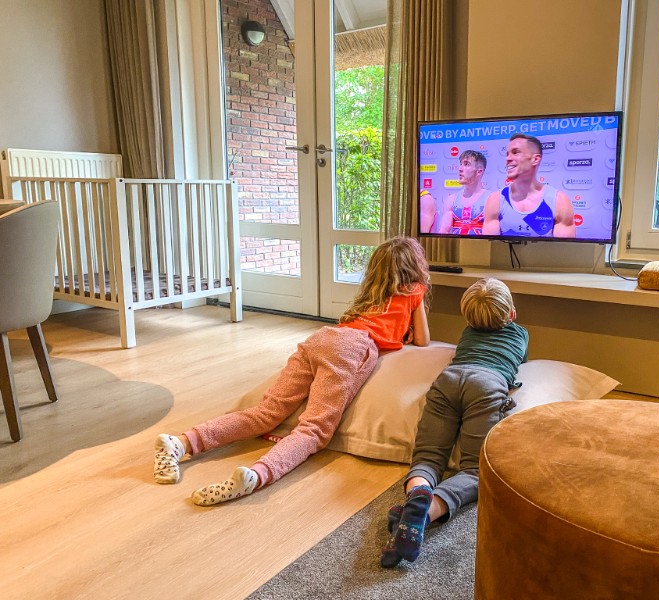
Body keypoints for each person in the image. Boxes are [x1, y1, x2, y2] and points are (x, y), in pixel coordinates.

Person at [153, 236, 431, 506]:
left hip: (322, 338)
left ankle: (180, 443)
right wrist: (419, 295)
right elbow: (423, 340)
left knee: (265, 413)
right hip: (352, 348)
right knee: (314, 430)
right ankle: (257, 475)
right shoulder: (414, 291)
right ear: (414, 268)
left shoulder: (371, 296)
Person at [380, 277, 528, 567]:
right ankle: (428, 511)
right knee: (475, 470)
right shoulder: (520, 333)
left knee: (428, 457)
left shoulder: (466, 333)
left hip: (448, 381)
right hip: (487, 386)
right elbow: (519, 359)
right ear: (511, 314)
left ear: (467, 316)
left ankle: (418, 493)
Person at [483, 133, 576, 238]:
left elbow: (564, 249)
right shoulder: (496, 200)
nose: (508, 158)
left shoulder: (559, 201)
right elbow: (491, 246)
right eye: (507, 154)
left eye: (515, 152)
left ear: (535, 159)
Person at [437, 150, 491, 235]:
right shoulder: (451, 200)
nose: (460, 169)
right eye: (460, 164)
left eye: (466, 164)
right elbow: (443, 232)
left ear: (479, 171)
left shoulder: (491, 199)